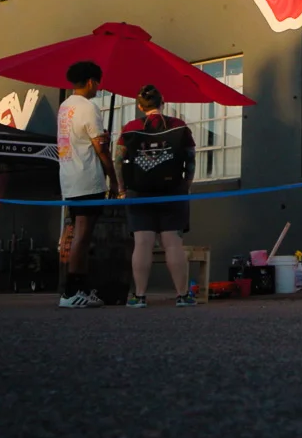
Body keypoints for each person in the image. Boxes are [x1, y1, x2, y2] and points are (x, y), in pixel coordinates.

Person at [116, 84, 198, 308]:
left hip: (139, 192)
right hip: (173, 192)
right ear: (163, 102)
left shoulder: (130, 128)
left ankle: (140, 296)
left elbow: (118, 161)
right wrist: (186, 184)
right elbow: (190, 159)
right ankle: (182, 296)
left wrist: (122, 189)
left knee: (142, 243)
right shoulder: (178, 126)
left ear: (140, 106)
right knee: (173, 243)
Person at [56, 60, 116, 308]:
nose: (98, 88)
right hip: (88, 179)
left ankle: (78, 288)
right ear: (91, 81)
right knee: (83, 235)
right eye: (98, 83)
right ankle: (71, 292)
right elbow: (100, 149)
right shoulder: (89, 107)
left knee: (80, 234)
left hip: (69, 177)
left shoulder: (65, 106)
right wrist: (113, 178)